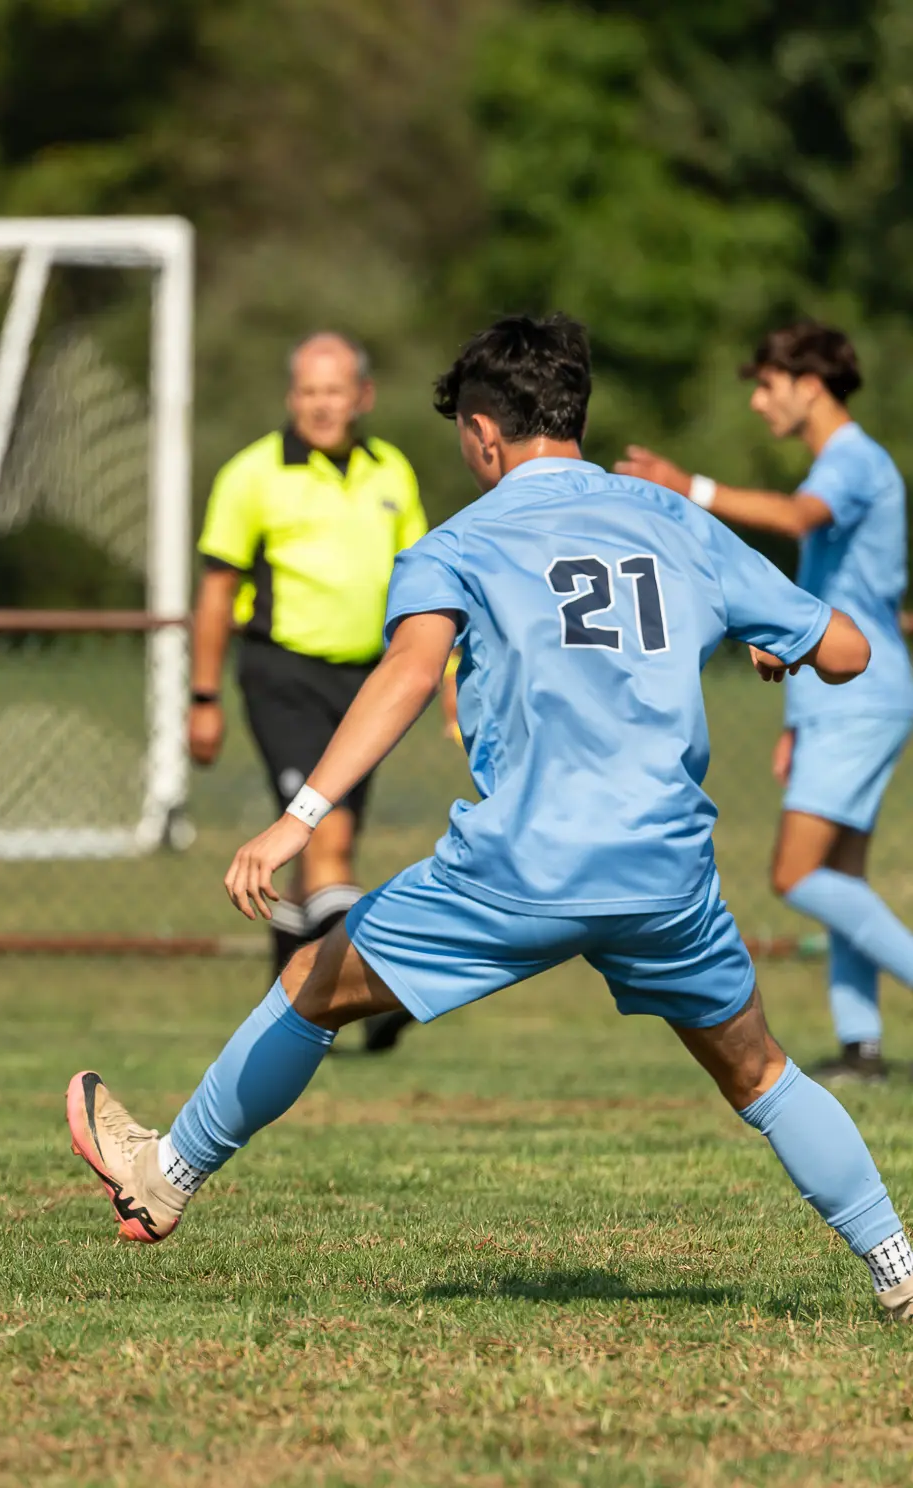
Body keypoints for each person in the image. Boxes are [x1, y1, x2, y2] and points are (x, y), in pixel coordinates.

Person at [65, 313, 913, 1318]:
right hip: (663, 871)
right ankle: (895, 1264)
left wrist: (299, 816)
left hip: (522, 865)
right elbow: (847, 650)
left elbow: (405, 674)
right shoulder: (675, 520)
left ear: (480, 433)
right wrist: (775, 641)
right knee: (761, 1073)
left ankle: (164, 1174)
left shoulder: (458, 542)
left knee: (309, 983)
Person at [616, 324, 913, 1083]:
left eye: (767, 385)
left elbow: (795, 518)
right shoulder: (842, 461)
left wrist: (690, 488)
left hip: (859, 697)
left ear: (809, 386)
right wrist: (796, 721)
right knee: (839, 880)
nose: (757, 402)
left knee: (794, 875)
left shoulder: (850, 460)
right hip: (839, 700)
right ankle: (861, 1048)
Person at [190, 333, 427, 1051]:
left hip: (366, 685)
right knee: (327, 836)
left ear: (363, 396)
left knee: (321, 853)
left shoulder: (392, 471)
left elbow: (422, 584)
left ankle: (285, 999)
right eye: (309, 391)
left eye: (335, 391)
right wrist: (203, 698)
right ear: (291, 397)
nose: (322, 405)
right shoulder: (251, 474)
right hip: (282, 675)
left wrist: (447, 676)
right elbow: (216, 591)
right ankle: (377, 989)